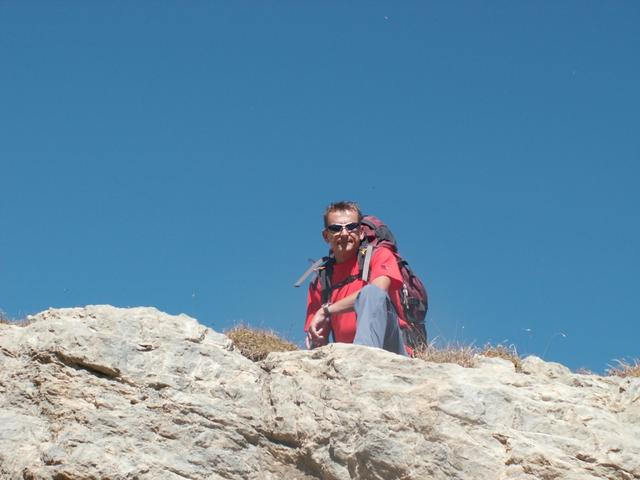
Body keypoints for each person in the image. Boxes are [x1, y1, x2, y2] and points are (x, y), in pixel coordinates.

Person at [305, 201, 409, 356]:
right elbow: (317, 336)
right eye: (336, 228)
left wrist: (327, 310)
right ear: (326, 236)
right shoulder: (322, 279)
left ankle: (363, 357)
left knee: (371, 292)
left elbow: (378, 290)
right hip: (347, 356)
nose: (344, 233)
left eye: (351, 227)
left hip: (391, 350)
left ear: (361, 232)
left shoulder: (379, 255)